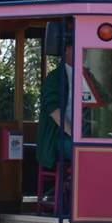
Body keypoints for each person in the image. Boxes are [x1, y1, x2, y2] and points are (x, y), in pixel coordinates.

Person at [38, 41, 76, 172]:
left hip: (85, 134)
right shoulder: (54, 78)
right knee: (83, 150)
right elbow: (54, 111)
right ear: (67, 50)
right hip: (57, 137)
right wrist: (75, 134)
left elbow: (108, 101)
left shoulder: (87, 76)